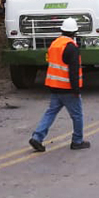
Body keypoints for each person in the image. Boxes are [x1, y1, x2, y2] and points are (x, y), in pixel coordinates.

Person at [28, 18, 90, 152]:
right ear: (75, 33)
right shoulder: (71, 48)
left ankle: (37, 137)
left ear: (62, 30)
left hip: (54, 86)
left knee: (50, 113)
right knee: (77, 115)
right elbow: (73, 72)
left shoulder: (54, 44)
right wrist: (76, 90)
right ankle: (77, 141)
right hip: (67, 89)